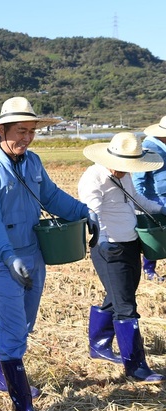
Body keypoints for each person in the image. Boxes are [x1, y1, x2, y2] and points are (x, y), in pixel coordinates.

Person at [0, 97, 98, 411]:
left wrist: (84, 211)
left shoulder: (32, 162)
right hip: (1, 261)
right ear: (1, 130)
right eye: (20, 131)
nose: (26, 137)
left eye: (31, 131)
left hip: (33, 254)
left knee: (23, 326)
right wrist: (8, 257)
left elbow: (51, 196)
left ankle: (4, 378)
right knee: (12, 333)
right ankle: (24, 409)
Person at [79, 132, 166, 383]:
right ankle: (136, 366)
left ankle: (99, 346)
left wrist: (161, 210)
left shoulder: (124, 174)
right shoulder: (93, 177)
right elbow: (92, 212)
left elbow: (135, 199)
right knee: (127, 308)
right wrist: (104, 244)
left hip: (130, 244)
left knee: (119, 296)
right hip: (109, 249)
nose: (125, 171)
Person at [132, 115, 166, 281]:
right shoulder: (148, 147)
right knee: (154, 236)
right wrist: (140, 204)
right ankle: (149, 270)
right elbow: (139, 178)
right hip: (154, 199)